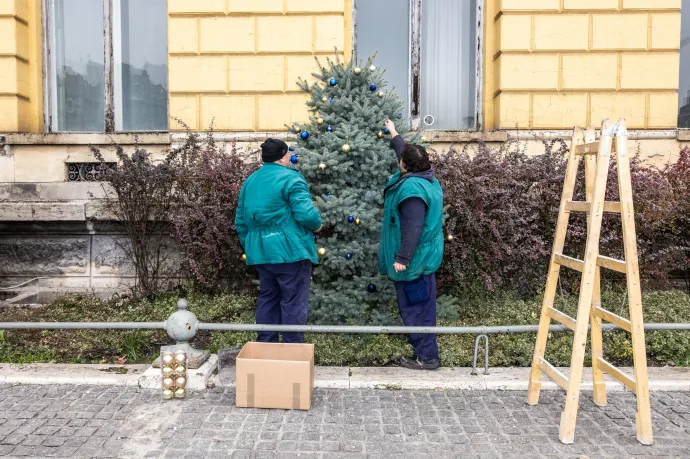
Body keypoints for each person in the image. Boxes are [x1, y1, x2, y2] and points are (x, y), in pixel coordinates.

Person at [235, 138, 322, 344]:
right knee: (293, 301)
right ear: (283, 157)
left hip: (261, 252)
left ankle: (266, 346)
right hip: (290, 251)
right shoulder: (291, 179)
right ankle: (291, 349)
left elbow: (241, 220)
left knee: (268, 298)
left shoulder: (251, 181)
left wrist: (251, 244)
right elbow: (306, 214)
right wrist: (317, 225)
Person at [379, 119, 444, 370]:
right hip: (423, 257)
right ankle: (425, 353)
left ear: (404, 166)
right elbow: (403, 151)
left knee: (416, 308)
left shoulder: (413, 191)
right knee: (419, 305)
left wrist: (403, 258)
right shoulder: (425, 175)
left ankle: (427, 357)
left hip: (415, 262)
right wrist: (394, 133)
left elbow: (413, 227)